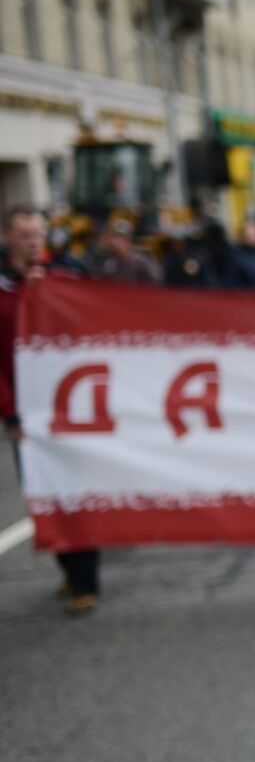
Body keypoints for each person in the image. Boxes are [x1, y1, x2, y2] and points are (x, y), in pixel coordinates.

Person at [1, 206, 103, 614]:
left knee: (76, 492)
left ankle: (85, 580)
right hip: (26, 416)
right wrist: (10, 414)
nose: (33, 242)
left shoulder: (64, 280)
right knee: (43, 493)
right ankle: (69, 564)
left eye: (38, 234)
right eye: (24, 235)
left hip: (68, 409)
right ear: (8, 238)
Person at [88, 218, 162, 284]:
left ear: (128, 241)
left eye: (119, 238)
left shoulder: (141, 261)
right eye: (114, 237)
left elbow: (157, 279)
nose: (114, 242)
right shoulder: (108, 259)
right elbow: (99, 278)